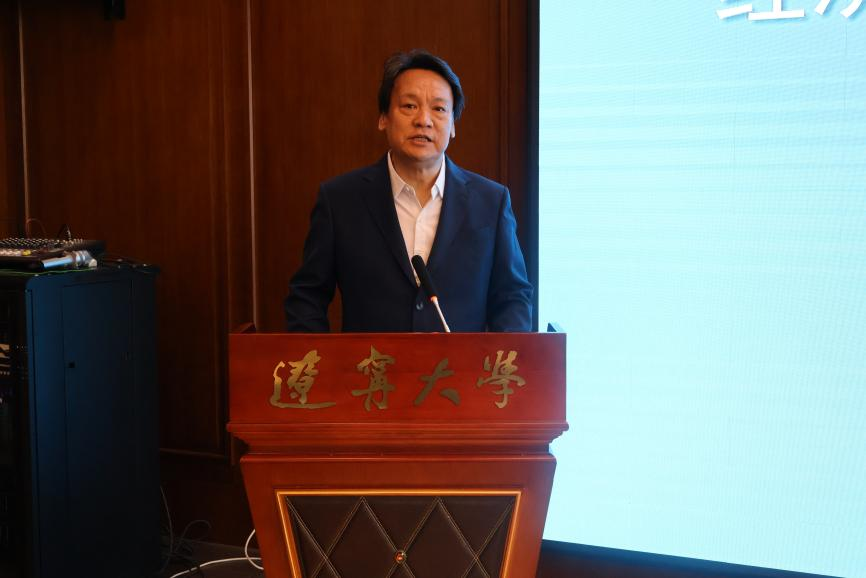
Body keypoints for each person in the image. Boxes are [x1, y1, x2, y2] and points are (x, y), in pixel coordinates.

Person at [284, 49, 532, 332]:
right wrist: (324, 359)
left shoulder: (491, 202)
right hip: (370, 362)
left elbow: (512, 298)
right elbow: (307, 298)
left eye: (439, 109)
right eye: (409, 106)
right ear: (383, 117)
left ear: (453, 125)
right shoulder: (340, 200)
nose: (424, 120)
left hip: (461, 363)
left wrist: (504, 357)